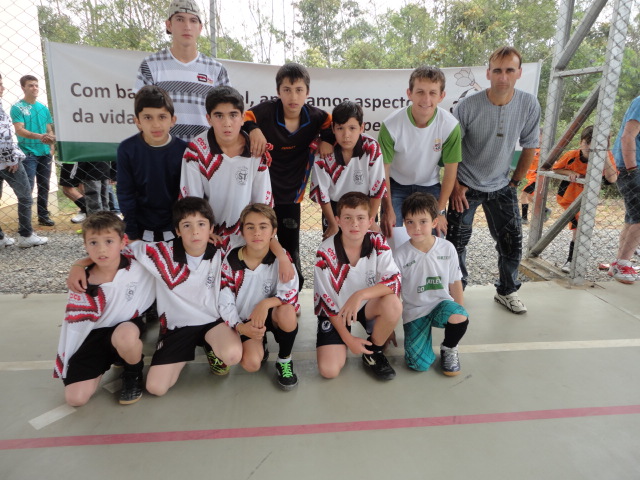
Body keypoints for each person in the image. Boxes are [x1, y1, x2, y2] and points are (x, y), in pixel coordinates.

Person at [68, 197, 243, 395]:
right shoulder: (159, 252)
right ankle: (182, 354)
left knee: (233, 355)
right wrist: (80, 264)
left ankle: (211, 346)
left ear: (211, 228)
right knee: (156, 388)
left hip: (213, 322)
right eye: (186, 225)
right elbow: (114, 248)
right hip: (177, 326)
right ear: (177, 230)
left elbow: (260, 240)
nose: (195, 231)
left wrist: (280, 254)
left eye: (201, 224)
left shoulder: (222, 248)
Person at [446, 46, 541, 314]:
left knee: (512, 242)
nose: (503, 77)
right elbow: (451, 150)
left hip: (502, 186)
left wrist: (515, 182)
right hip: (465, 186)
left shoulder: (529, 104)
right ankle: (455, 296)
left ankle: (507, 291)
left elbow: (530, 145)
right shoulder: (468, 106)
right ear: (488, 73)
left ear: (519, 73)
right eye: (497, 70)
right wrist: (454, 185)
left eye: (510, 70)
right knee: (456, 244)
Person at [244, 62, 334, 290]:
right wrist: (253, 129)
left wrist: (326, 139)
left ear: (307, 92)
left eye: (299, 90)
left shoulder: (315, 116)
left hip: (292, 193)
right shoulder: (265, 112)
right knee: (260, 242)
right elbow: (244, 116)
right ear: (278, 92)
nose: (293, 96)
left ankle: (292, 289)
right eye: (287, 90)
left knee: (289, 244)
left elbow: (329, 123)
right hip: (263, 192)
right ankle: (260, 289)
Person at [56, 212, 155, 406]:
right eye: (93, 243)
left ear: (123, 241)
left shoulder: (139, 264)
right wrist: (78, 265)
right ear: (85, 246)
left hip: (126, 328)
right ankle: (113, 357)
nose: (102, 249)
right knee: (75, 399)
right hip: (93, 336)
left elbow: (179, 250)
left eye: (109, 241)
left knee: (126, 336)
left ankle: (132, 373)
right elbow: (74, 326)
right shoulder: (82, 281)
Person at [314, 191, 402, 380]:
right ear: (337, 220)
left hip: (365, 306)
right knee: (329, 371)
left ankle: (373, 353)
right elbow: (326, 304)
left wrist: (359, 295)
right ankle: (345, 342)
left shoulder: (378, 241)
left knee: (393, 304)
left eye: (361, 218)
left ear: (370, 220)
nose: (354, 224)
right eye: (348, 218)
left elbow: (394, 280)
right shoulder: (325, 253)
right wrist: (349, 340)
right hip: (337, 311)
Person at [219, 203, 300, 390]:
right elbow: (224, 302)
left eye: (263, 227)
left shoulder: (282, 259)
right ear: (242, 231)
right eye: (250, 227)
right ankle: (260, 345)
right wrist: (240, 327)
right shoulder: (230, 261)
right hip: (248, 320)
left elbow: (290, 292)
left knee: (287, 312)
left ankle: (284, 359)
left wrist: (265, 304)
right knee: (251, 364)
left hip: (272, 315)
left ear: (273, 231)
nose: (257, 233)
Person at [179, 85, 273, 242]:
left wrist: (261, 235)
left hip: (247, 235)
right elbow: (191, 200)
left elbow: (262, 202)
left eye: (233, 115)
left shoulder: (255, 150)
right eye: (219, 116)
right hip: (208, 235)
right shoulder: (196, 151)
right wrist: (202, 230)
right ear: (208, 118)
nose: (227, 123)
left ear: (243, 117)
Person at [379, 66, 462, 238]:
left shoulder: (450, 126)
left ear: (442, 96)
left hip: (429, 185)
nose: (426, 99)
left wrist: (440, 210)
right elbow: (383, 170)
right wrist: (388, 208)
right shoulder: (391, 125)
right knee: (392, 235)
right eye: (420, 92)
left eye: (432, 93)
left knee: (436, 235)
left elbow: (450, 171)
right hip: (396, 184)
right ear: (409, 93)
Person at [393, 193, 469, 375]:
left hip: (440, 305)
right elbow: (394, 293)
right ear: (404, 223)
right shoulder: (400, 254)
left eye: (423, 221)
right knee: (418, 365)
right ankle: (420, 342)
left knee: (459, 316)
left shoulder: (446, 248)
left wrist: (459, 313)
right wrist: (390, 326)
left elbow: (455, 281)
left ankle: (449, 348)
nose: (416, 228)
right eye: (410, 222)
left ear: (435, 222)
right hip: (415, 311)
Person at [135, 0, 230, 142]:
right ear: (169, 25)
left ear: (200, 28)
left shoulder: (216, 70)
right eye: (180, 19)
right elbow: (143, 114)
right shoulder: (151, 65)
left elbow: (226, 114)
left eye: (193, 20)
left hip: (205, 154)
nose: (187, 26)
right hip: (163, 153)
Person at [309, 101, 387, 240]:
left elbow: (377, 188)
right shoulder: (324, 151)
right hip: (334, 209)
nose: (346, 135)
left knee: (364, 248)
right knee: (335, 246)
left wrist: (370, 220)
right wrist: (333, 224)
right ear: (332, 128)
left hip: (364, 207)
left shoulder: (371, 148)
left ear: (362, 127)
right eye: (340, 128)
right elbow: (322, 191)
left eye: (352, 128)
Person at [117, 85, 185, 242]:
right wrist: (132, 234)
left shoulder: (184, 150)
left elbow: (188, 196)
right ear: (137, 121)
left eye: (162, 117)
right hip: (141, 228)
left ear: (172, 120)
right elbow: (125, 194)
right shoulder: (127, 149)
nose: (156, 125)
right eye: (148, 117)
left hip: (177, 228)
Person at [552, 125, 617, 273]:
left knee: (580, 229)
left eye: (597, 144)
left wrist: (605, 153)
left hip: (588, 200)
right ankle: (571, 262)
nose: (590, 147)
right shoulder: (572, 155)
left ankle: (574, 261)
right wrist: (571, 171)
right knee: (579, 229)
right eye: (588, 143)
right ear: (581, 142)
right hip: (568, 198)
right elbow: (556, 169)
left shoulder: (605, 157)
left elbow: (612, 179)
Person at [0, 73, 47, 248]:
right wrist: (10, 158)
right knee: (26, 196)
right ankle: (26, 235)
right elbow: (3, 136)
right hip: (7, 161)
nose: (3, 88)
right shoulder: (8, 108)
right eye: (0, 84)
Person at [10, 74, 56, 226]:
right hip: (28, 153)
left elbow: (49, 130)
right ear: (23, 87)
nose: (34, 88)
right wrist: (40, 136)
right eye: (30, 85)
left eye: (36, 85)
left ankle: (43, 215)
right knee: (27, 188)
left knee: (44, 186)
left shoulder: (43, 108)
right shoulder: (18, 107)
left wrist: (52, 147)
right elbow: (19, 130)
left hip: (45, 153)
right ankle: (26, 221)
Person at [608, 96, 640, 284]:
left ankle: (619, 263)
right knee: (639, 217)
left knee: (633, 216)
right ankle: (622, 263)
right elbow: (627, 136)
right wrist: (632, 169)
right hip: (632, 167)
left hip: (632, 166)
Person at [519, 130, 551, 225]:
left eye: (539, 136)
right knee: (529, 197)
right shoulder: (531, 148)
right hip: (531, 177)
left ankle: (524, 218)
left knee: (523, 195)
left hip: (537, 177)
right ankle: (545, 210)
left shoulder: (544, 151)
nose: (537, 138)